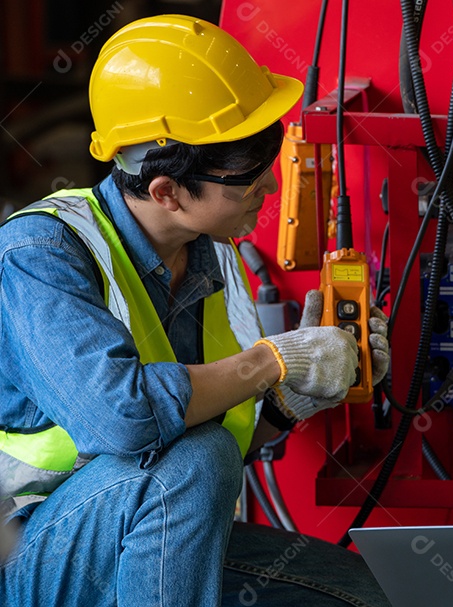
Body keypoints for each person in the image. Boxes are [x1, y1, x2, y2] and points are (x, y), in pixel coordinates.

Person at [0, 15, 390, 606]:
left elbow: (216, 441)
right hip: (25, 551)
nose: (266, 194)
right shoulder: (41, 254)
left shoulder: (214, 256)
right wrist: (267, 364)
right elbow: (124, 423)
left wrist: (293, 399)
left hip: (143, 530)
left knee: (358, 592)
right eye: (246, 184)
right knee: (197, 461)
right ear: (167, 191)